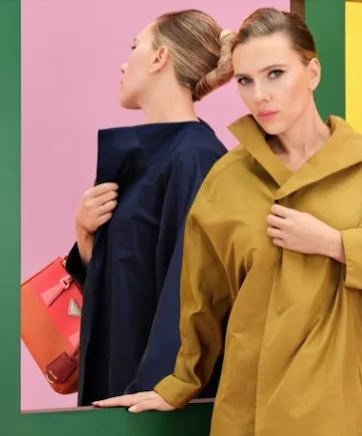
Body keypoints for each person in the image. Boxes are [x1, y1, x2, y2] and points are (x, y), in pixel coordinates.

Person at [95, 7, 362, 435]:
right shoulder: (226, 181)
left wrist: (337, 244)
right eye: (246, 81)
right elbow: (202, 300)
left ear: (312, 73)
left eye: (275, 74)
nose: (260, 95)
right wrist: (178, 384)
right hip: (259, 404)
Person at [65, 9, 234, 407]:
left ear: (160, 58)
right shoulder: (152, 156)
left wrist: (160, 387)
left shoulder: (196, 157)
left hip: (153, 400)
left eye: (134, 47)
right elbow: (130, 279)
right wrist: (86, 237)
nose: (124, 64)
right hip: (124, 382)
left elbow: (190, 289)